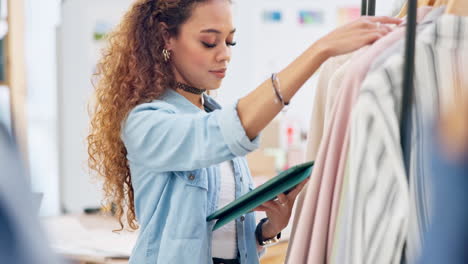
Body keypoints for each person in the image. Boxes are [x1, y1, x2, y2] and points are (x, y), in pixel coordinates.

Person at [87, 0, 401, 263]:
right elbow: (217, 134)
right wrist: (319, 51)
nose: (224, 54)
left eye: (230, 41)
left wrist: (266, 230)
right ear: (166, 38)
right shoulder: (147, 123)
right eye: (209, 42)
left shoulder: (212, 114)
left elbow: (219, 235)